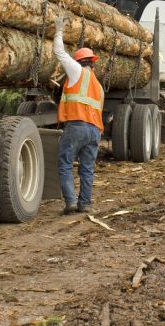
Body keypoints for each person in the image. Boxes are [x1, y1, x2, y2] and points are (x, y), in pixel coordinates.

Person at [53, 16, 104, 214]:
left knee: (65, 163)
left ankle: (71, 202)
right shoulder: (98, 87)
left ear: (79, 61)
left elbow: (59, 52)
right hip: (94, 131)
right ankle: (85, 204)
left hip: (77, 127)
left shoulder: (76, 71)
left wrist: (59, 31)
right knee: (87, 168)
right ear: (92, 62)